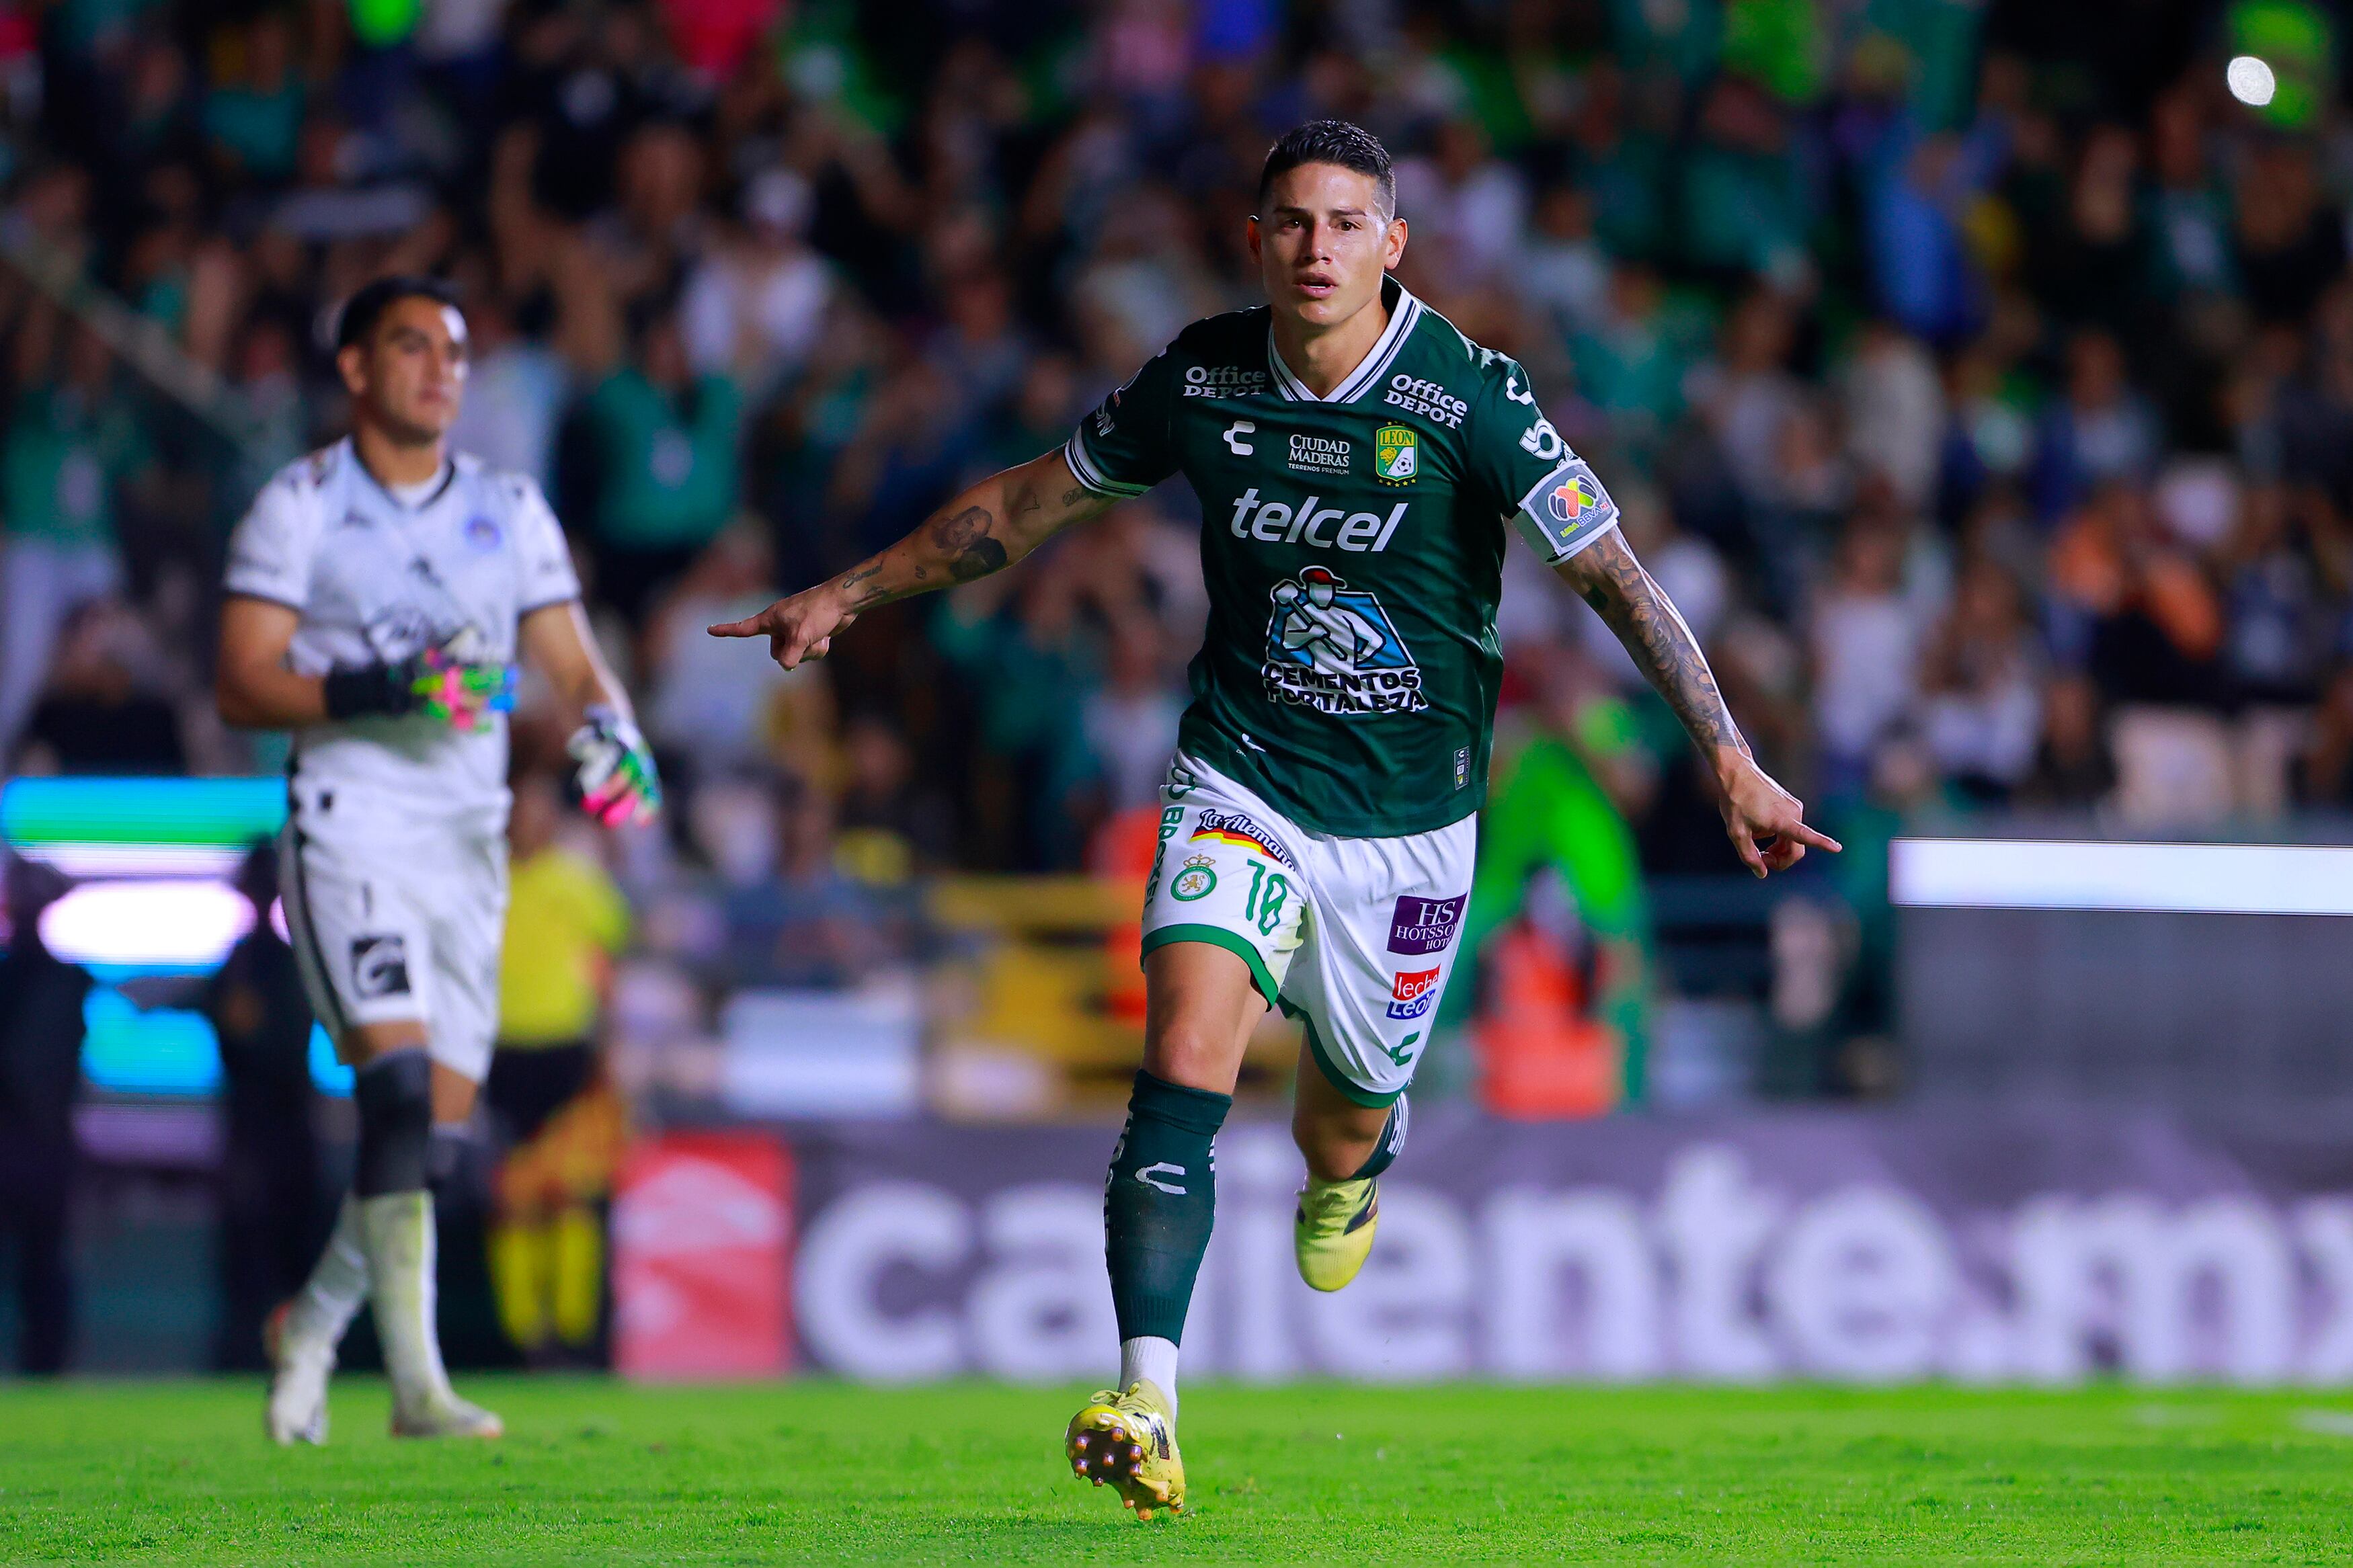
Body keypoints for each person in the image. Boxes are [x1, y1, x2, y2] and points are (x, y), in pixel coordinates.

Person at [711, 122, 1833, 1518]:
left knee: (1337, 1135)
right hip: (1241, 771)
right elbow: (1023, 505)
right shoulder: (1202, 374)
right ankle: (1146, 1393)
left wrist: (1727, 750)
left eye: (1346, 223)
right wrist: (848, 591)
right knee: (1183, 1045)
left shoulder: (1466, 396)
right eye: (1293, 222)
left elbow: (1611, 575)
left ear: (1393, 244)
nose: (1318, 248)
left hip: (1410, 827)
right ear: (1257, 240)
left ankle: (1357, 1158)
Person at [213, 275, 661, 1445]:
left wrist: (614, 728)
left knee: (429, 1138)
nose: (440, 370)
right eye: (411, 347)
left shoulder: (510, 507)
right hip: (351, 816)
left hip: (469, 842)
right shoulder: (300, 504)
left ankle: (310, 1326)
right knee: (400, 1091)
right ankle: (418, 1388)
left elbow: (571, 657)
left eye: (455, 352)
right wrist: (382, 686)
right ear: (355, 368)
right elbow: (241, 674)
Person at [0, 855, 89, 1375]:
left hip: (41, 1146)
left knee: (45, 1271)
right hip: (26, 1143)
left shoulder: (64, 981)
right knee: (42, 1269)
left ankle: (47, 1368)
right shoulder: (41, 980)